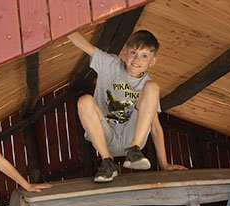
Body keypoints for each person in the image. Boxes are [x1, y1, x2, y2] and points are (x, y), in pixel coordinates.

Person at [68, 30, 186, 182]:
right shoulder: (110, 64)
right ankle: (107, 162)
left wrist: (164, 164)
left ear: (152, 61)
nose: (137, 59)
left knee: (152, 87)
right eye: (133, 52)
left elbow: (155, 127)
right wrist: (59, 23)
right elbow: (81, 43)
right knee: (84, 100)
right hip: (105, 137)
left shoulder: (147, 87)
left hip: (131, 137)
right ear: (125, 52)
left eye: (144, 56)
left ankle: (134, 150)